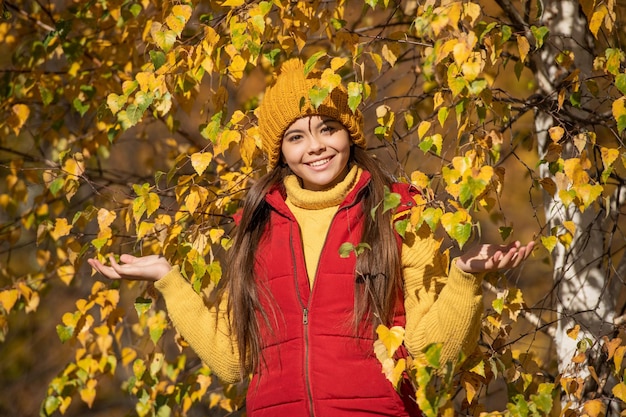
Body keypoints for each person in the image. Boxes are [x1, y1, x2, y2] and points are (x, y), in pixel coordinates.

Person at [88, 58, 534, 417]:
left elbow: (430, 353)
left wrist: (463, 278)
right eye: (296, 137)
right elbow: (229, 359)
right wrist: (168, 279)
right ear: (280, 152)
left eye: (327, 128)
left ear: (349, 134)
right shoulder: (257, 225)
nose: (315, 146)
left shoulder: (398, 212)